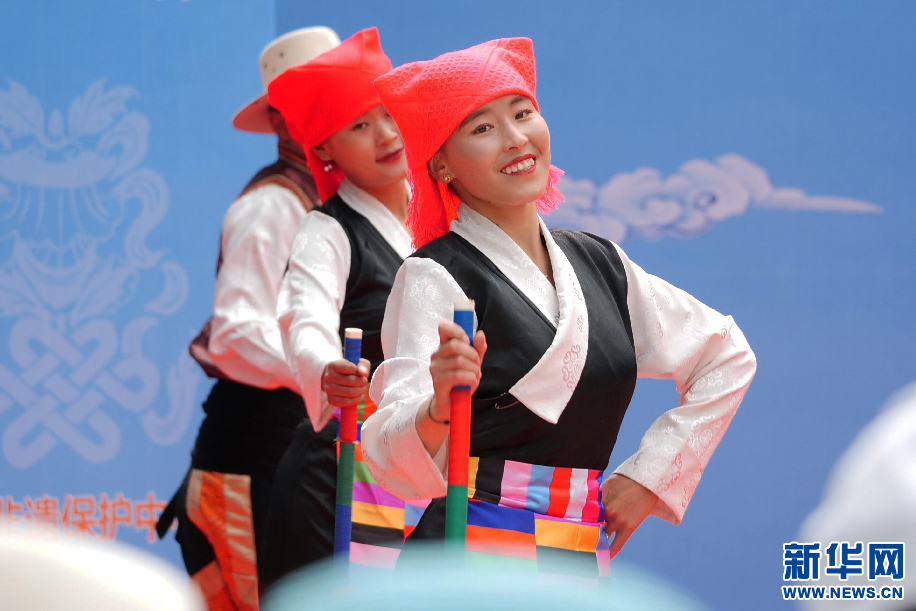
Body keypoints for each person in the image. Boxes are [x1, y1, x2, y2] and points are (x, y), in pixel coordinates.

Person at [362, 37, 757, 578]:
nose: (515, 138)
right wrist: (437, 405)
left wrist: (649, 477)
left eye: (522, 113)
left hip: (578, 549)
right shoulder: (434, 275)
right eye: (482, 128)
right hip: (471, 549)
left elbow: (725, 354)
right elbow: (386, 456)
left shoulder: (600, 263)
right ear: (442, 164)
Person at [155, 27, 340, 610]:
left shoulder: (345, 205)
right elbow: (236, 334)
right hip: (251, 470)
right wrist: (329, 370)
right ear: (282, 118)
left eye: (343, 95)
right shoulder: (272, 206)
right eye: (316, 98)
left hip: (307, 469)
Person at [256, 27, 415, 589]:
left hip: (424, 470)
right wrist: (329, 369)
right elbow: (304, 319)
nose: (386, 135)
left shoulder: (445, 218)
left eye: (388, 114)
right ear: (322, 147)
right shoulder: (326, 230)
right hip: (340, 473)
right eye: (359, 126)